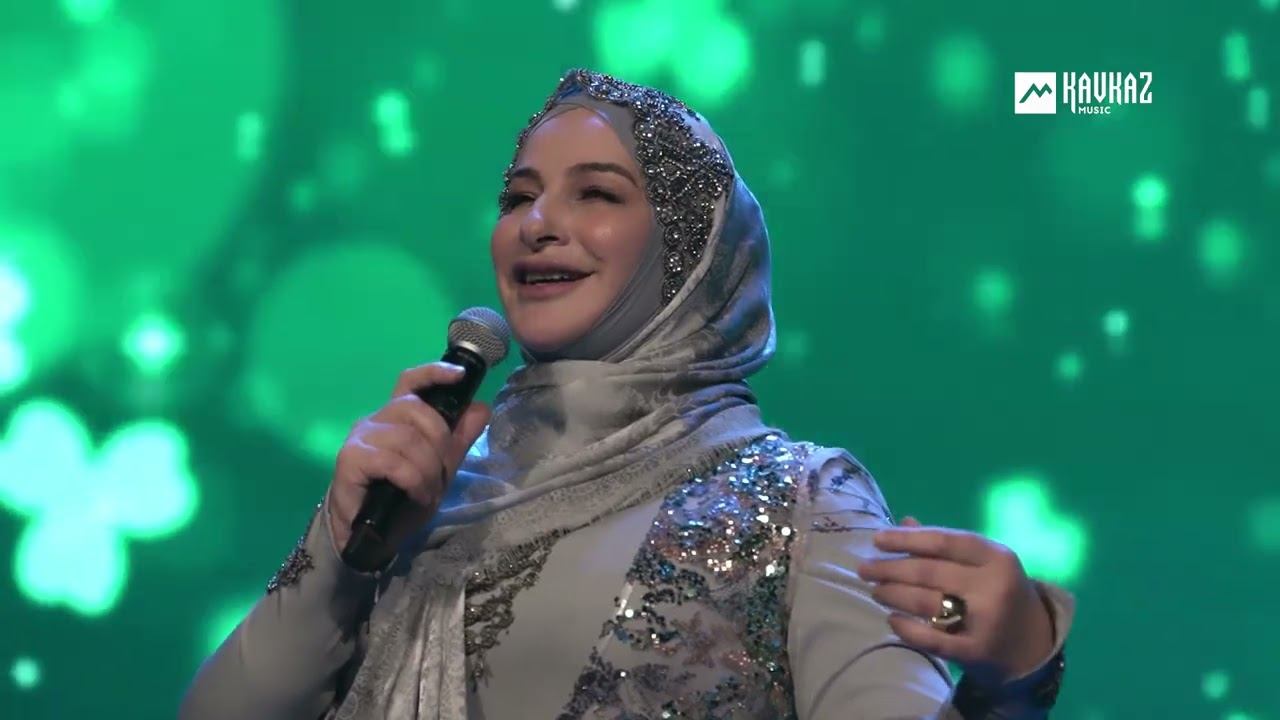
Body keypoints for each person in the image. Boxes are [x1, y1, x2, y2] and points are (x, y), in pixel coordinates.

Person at [180, 68, 1074, 720]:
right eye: (518, 197)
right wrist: (343, 551)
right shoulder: (428, 490)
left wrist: (1018, 676)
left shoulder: (801, 503)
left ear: (690, 253)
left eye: (596, 195)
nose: (537, 224)